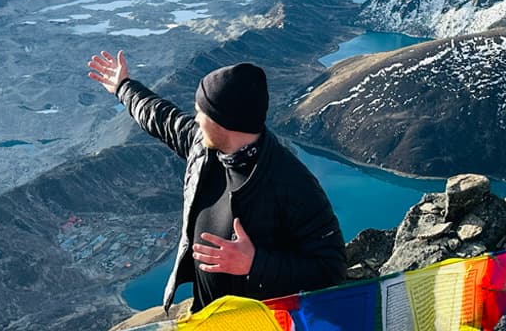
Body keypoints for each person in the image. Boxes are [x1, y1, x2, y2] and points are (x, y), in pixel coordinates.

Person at [88, 50, 346, 313]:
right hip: (208, 316)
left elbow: (331, 269)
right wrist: (123, 86)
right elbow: (162, 118)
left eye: (202, 112)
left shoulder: (291, 182)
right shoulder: (204, 148)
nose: (196, 119)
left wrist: (255, 264)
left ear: (225, 122)